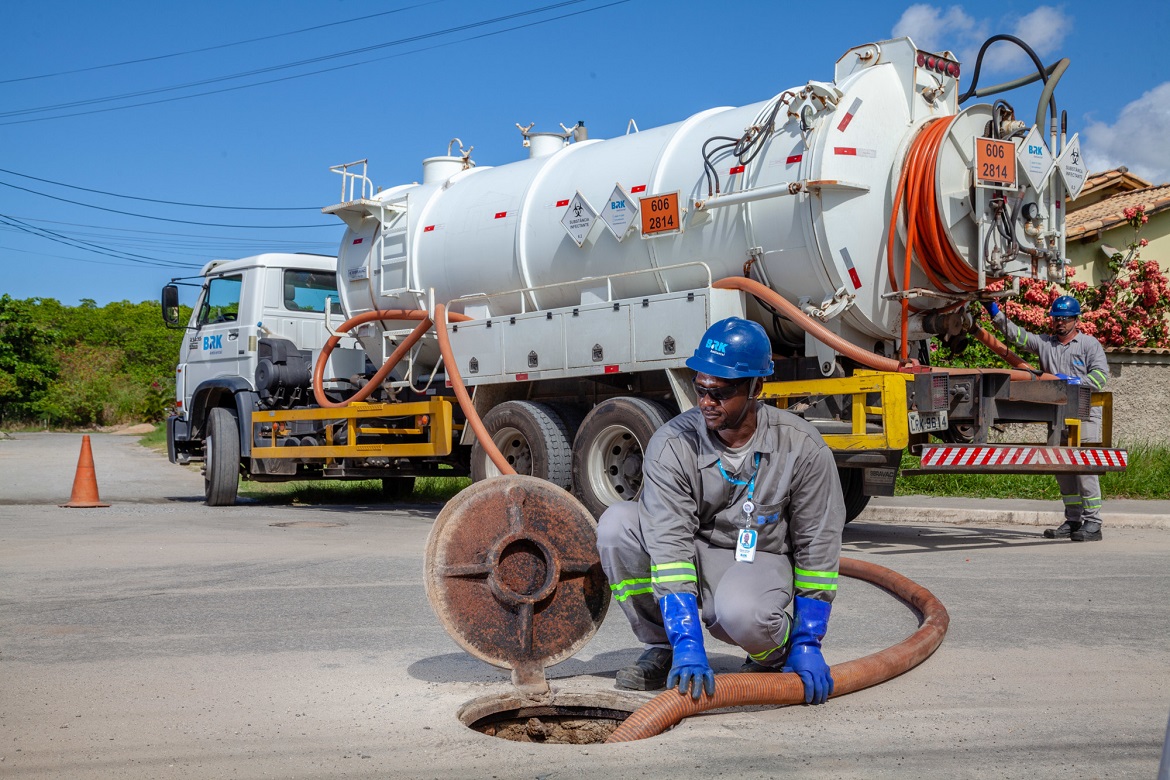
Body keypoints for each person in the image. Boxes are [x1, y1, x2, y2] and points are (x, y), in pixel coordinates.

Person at [596, 317, 846, 705]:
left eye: (721, 393)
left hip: (761, 557)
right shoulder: (672, 444)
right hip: (694, 551)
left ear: (756, 387)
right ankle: (666, 647)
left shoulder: (802, 447)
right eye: (701, 389)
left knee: (742, 613)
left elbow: (818, 544)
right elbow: (669, 544)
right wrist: (687, 643)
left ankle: (774, 651)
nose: (706, 403)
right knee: (617, 526)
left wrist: (809, 641)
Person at [984, 295, 1110, 541]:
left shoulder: (1088, 344)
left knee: (1084, 468)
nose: (1059, 323)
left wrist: (1075, 382)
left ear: (1075, 320)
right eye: (1056, 319)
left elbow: (1101, 377)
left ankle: (1093, 523)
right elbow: (1017, 336)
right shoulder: (1045, 343)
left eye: (1064, 319)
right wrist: (994, 311)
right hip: (1058, 416)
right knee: (1062, 468)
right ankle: (1074, 520)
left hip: (1084, 416)